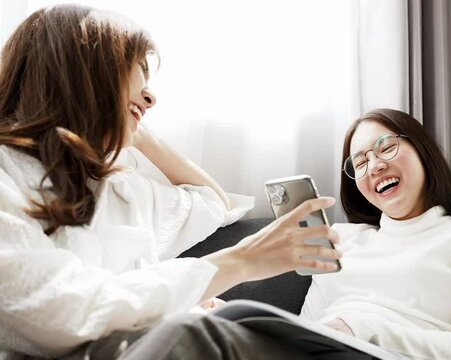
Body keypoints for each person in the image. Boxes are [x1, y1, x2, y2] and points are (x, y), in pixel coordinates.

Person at [0, 5, 341, 359]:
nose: (151, 97)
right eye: (139, 73)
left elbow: (213, 201)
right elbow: (60, 313)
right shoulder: (6, 174)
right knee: (194, 333)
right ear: (85, 70)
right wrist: (239, 262)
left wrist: (142, 133)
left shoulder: (122, 189)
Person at [300, 109, 451, 359]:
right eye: (360, 163)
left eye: (386, 147)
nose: (374, 166)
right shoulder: (340, 240)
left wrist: (362, 330)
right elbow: (301, 336)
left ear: (422, 151)